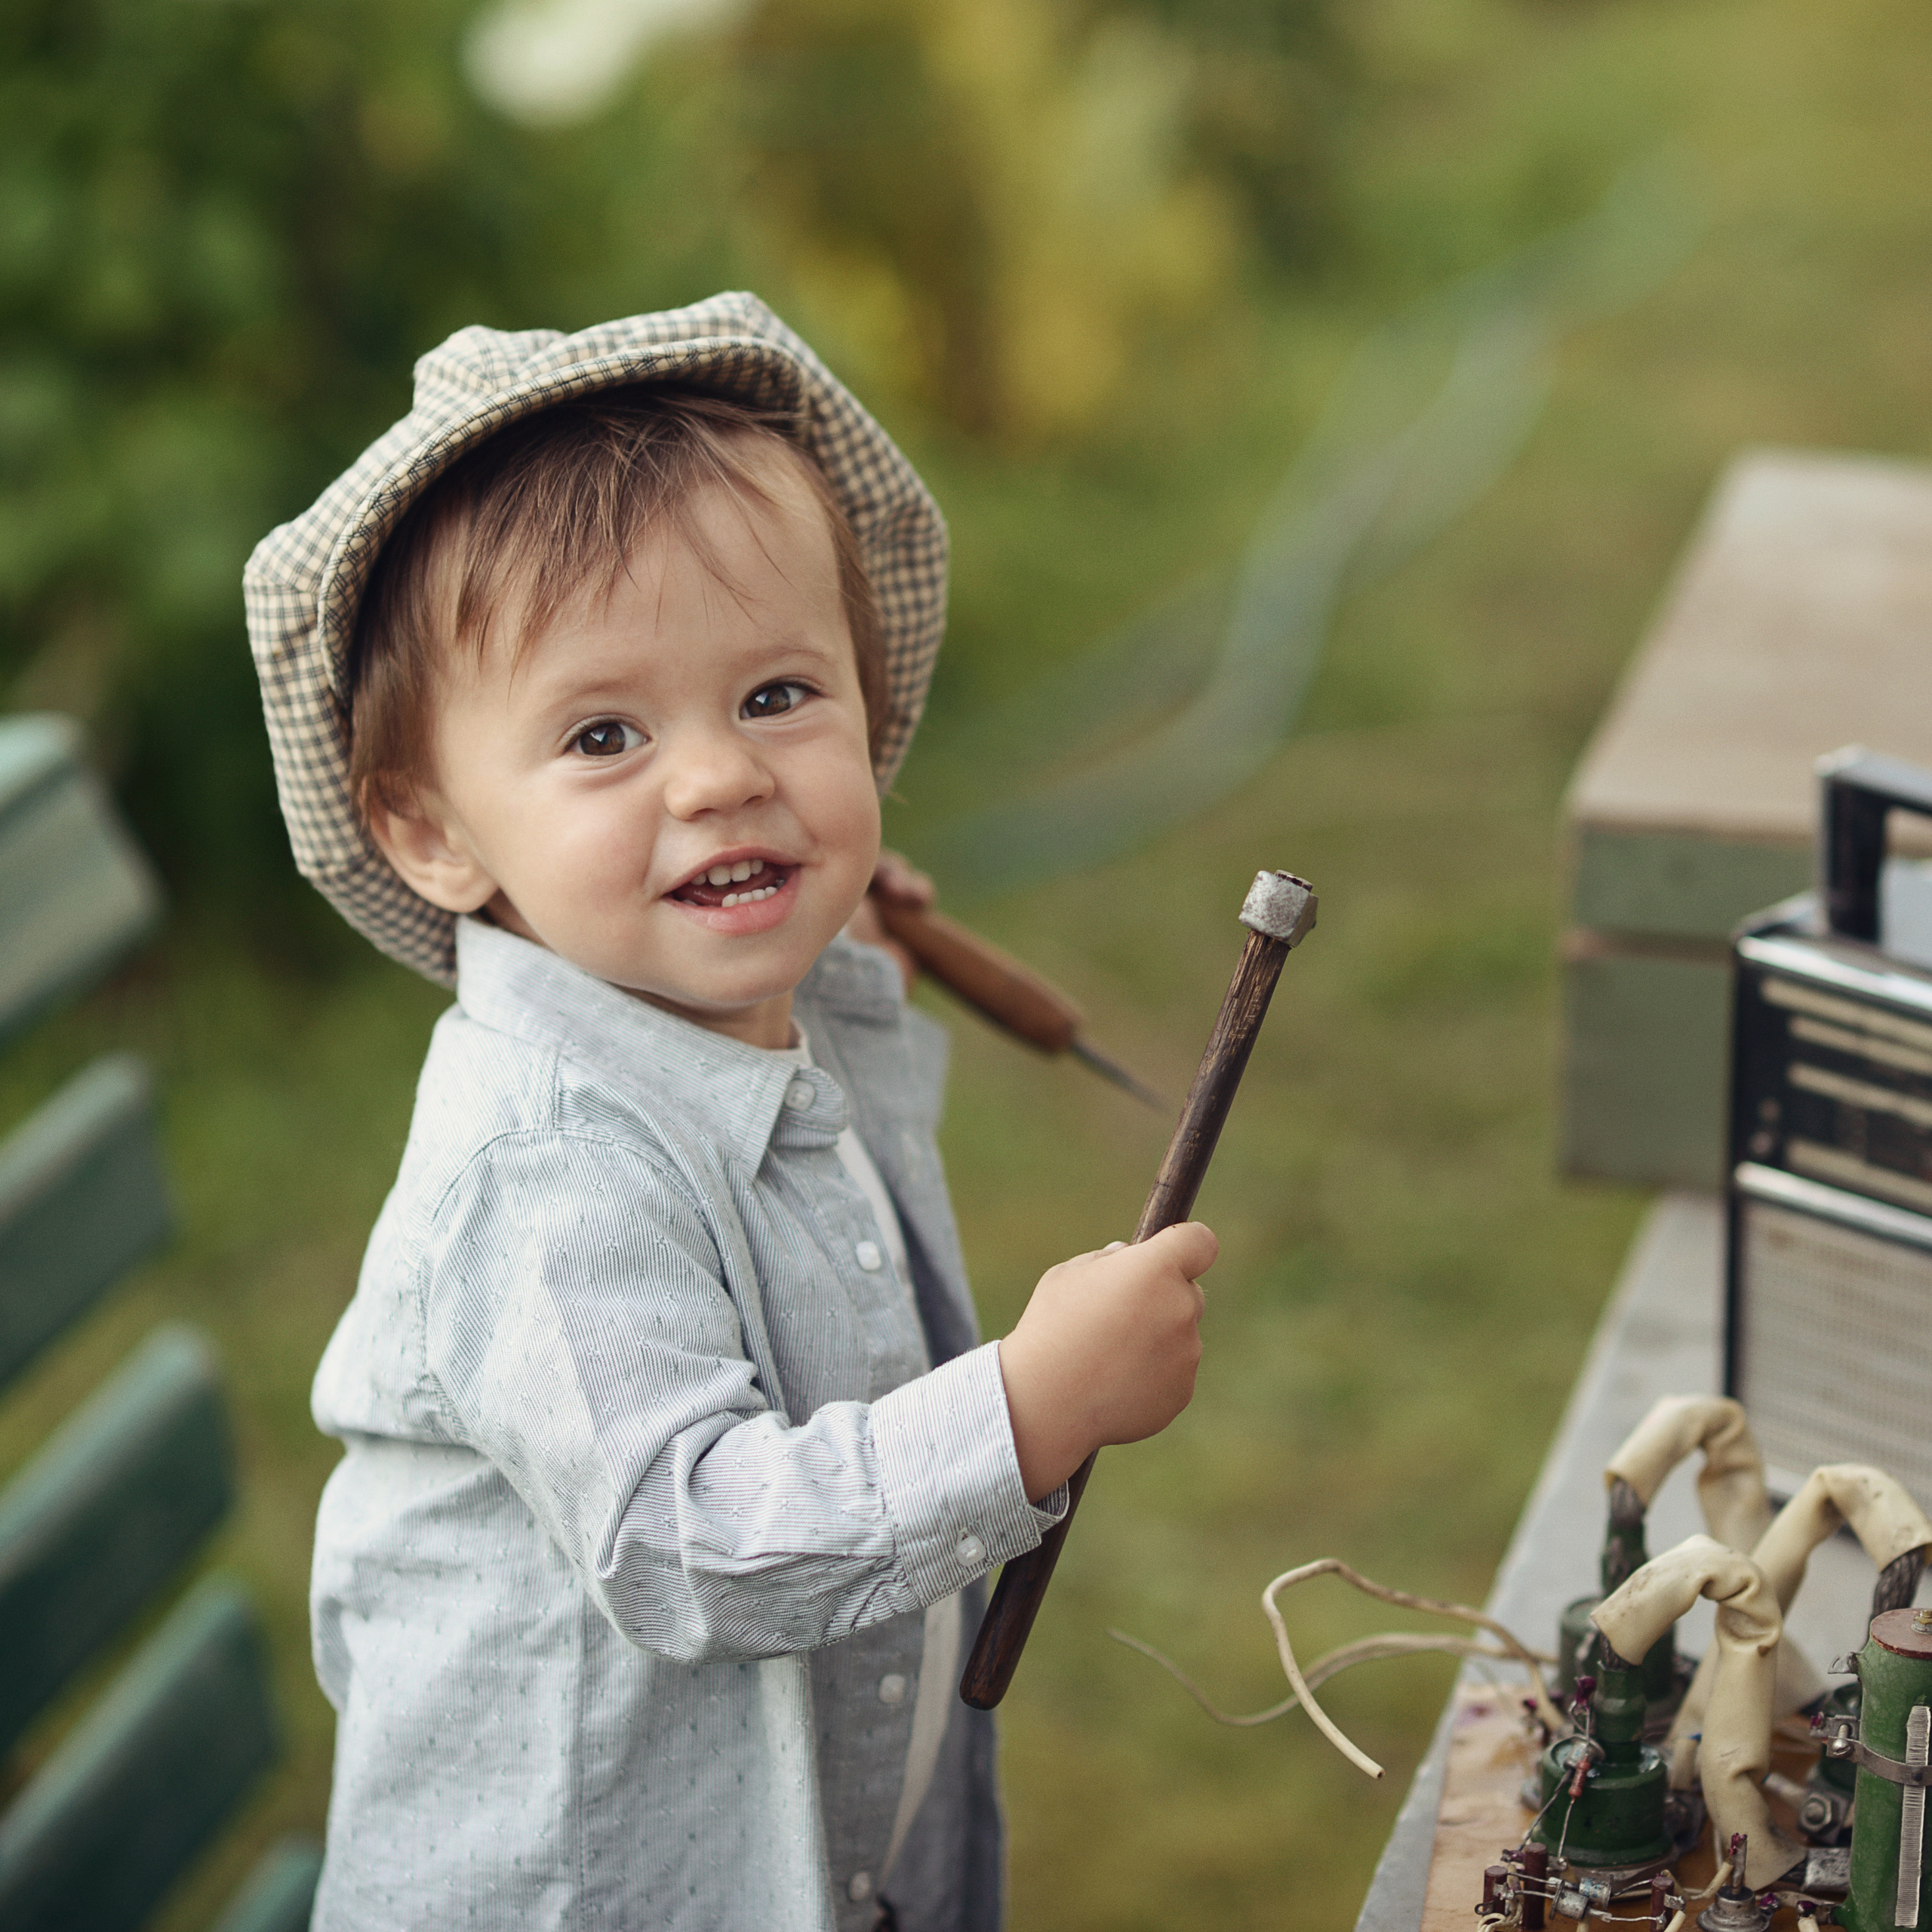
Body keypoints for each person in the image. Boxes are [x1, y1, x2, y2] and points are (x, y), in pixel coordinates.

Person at [245, 294, 1216, 1932]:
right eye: (604, 733)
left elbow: (850, 1170)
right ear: (430, 832)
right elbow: (691, 1540)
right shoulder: (540, 1163)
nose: (716, 779)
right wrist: (1023, 1408)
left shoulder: (718, 1014)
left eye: (775, 695)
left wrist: (840, 954)